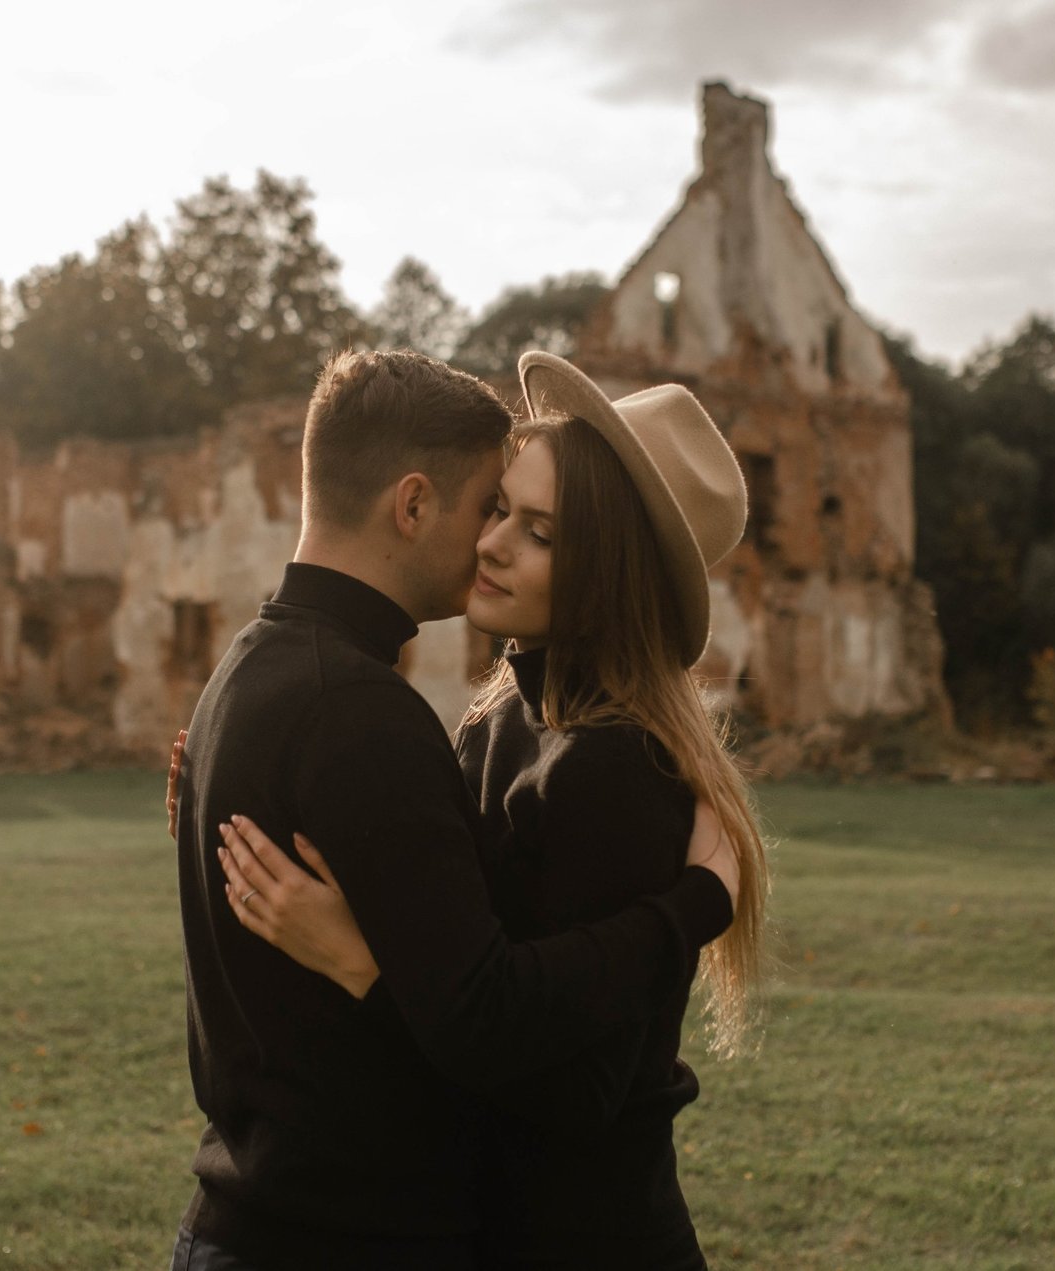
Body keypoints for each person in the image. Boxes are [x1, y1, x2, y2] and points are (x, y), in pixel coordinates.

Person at [169, 348, 740, 1271]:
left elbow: (572, 1092)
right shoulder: (491, 724)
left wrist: (371, 967)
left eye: (540, 532)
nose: (493, 542)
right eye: (501, 508)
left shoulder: (616, 763)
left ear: (607, 569)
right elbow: (464, 970)